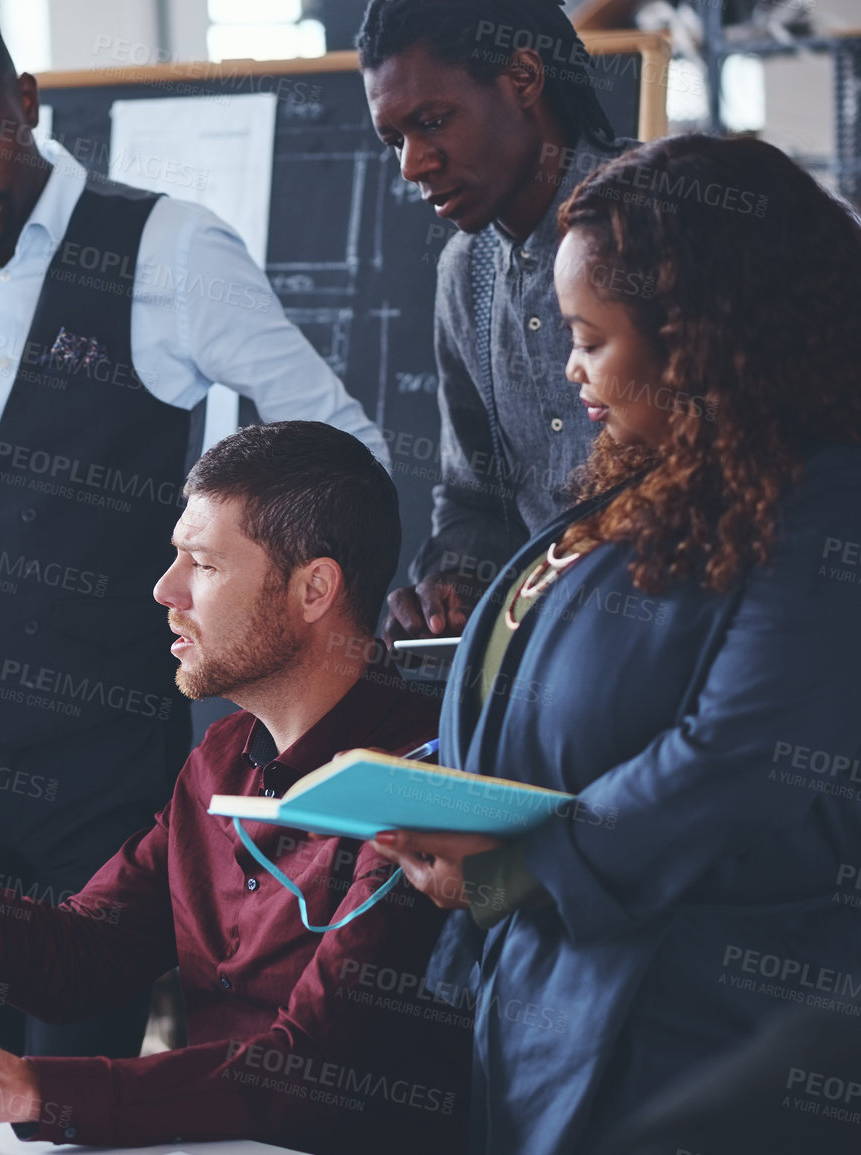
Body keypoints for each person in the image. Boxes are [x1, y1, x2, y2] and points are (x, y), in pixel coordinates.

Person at [0, 0, 389, 1061]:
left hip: (105, 764)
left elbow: (341, 443)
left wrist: (272, 618)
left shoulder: (169, 247)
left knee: (76, 1087)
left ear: (26, 102)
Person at [0, 422, 470, 1155]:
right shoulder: (218, 757)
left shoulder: (419, 780)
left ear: (314, 589)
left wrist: (27, 1087)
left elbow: (310, 1073)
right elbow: (84, 957)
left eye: (202, 565)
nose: (163, 589)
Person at [365, 135, 861, 1155]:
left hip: (700, 1033)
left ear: (696, 337)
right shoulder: (661, 478)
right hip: (554, 997)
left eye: (592, 339)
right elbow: (558, 687)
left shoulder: (825, 505)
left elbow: (732, 761)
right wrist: (416, 789)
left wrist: (507, 875)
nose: (571, 371)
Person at [358, 0, 635, 643]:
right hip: (551, 652)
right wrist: (450, 581)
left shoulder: (664, 214)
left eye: (432, 122)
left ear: (524, 79)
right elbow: (477, 497)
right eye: (395, 140)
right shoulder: (466, 273)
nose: (412, 165)